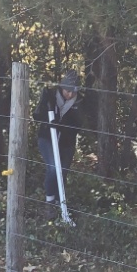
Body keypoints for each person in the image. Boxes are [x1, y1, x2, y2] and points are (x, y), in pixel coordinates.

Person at [35, 70, 86, 211]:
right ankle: (50, 202)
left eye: (73, 92)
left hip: (66, 142)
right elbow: (37, 115)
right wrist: (48, 117)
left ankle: (60, 203)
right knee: (53, 168)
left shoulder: (80, 101)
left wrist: (63, 127)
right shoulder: (50, 95)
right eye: (67, 90)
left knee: (62, 172)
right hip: (47, 138)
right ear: (62, 87)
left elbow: (79, 125)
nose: (70, 94)